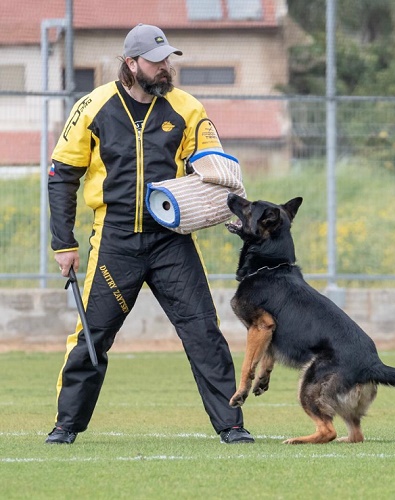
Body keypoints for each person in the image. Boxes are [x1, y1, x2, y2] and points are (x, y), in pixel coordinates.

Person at [45, 24, 254, 445]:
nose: (165, 69)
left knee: (203, 331)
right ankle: (65, 427)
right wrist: (63, 243)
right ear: (131, 63)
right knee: (92, 335)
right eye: (156, 62)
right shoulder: (93, 106)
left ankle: (231, 426)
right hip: (114, 240)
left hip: (170, 242)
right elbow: (61, 175)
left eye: (167, 61)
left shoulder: (188, 109)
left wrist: (221, 190)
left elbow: (213, 168)